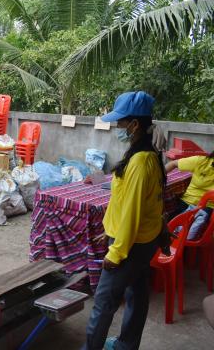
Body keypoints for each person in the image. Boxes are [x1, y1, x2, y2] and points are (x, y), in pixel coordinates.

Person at [82, 91, 166, 350]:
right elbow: (126, 203)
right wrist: (109, 228)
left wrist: (116, 251)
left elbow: (132, 211)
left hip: (131, 245)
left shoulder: (141, 161)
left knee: (103, 303)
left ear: (135, 124)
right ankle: (126, 345)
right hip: (142, 240)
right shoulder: (143, 153)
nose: (117, 127)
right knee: (137, 294)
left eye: (121, 123)